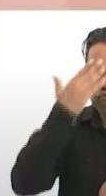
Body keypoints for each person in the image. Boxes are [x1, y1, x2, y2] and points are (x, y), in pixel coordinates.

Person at [11, 27, 106, 195]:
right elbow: (24, 184)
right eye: (97, 71)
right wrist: (62, 113)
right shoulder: (71, 126)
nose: (104, 83)